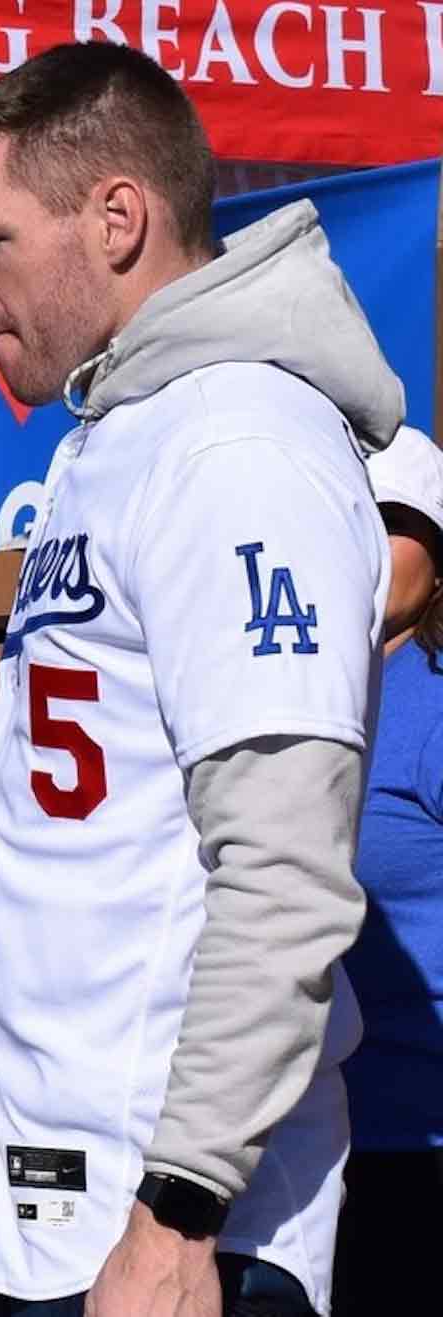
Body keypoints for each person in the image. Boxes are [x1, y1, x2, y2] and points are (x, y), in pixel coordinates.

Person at [0, 43, 401, 1317]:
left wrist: (178, 1210)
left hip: (181, 1238)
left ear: (117, 216)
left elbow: (284, 875)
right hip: (74, 1209)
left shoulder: (235, 444)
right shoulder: (123, 429)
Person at [332, 426, 443, 1315]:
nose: (368, 537)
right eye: (352, 514)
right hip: (299, 1143)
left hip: (418, 1143)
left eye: (395, 520)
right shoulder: (292, 685)